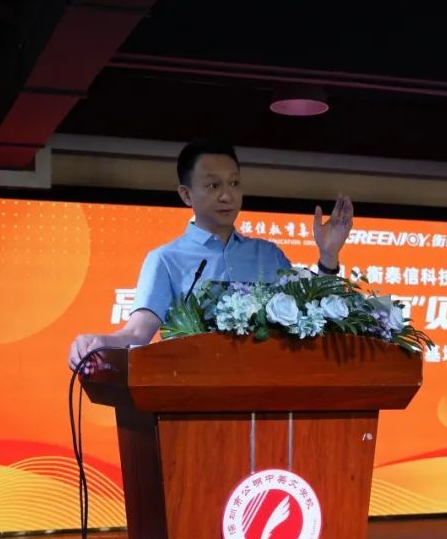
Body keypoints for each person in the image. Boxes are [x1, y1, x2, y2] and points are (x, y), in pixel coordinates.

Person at [68, 140, 354, 372]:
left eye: (234, 183)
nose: (227, 196)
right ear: (186, 195)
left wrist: (328, 255)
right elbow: (137, 333)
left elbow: (313, 315)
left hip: (267, 394)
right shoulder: (166, 260)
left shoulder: (267, 254)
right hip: (193, 395)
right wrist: (100, 342)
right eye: (213, 186)